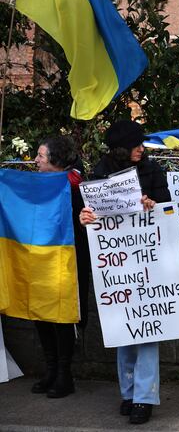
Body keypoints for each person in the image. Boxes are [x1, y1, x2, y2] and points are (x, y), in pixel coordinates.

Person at [79, 120, 170, 425]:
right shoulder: (100, 172)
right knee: (124, 330)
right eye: (136, 145)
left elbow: (168, 210)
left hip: (147, 258)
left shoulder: (153, 170)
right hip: (117, 263)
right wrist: (85, 216)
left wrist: (153, 205)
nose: (141, 149)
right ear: (120, 148)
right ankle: (129, 393)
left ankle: (145, 397)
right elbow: (93, 215)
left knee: (148, 331)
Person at [30, 135, 90, 398]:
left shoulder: (76, 187)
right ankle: (51, 369)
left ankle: (65, 374)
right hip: (41, 259)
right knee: (41, 312)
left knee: (63, 315)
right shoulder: (36, 185)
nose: (35, 160)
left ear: (55, 160)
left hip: (67, 260)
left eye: (40, 156)